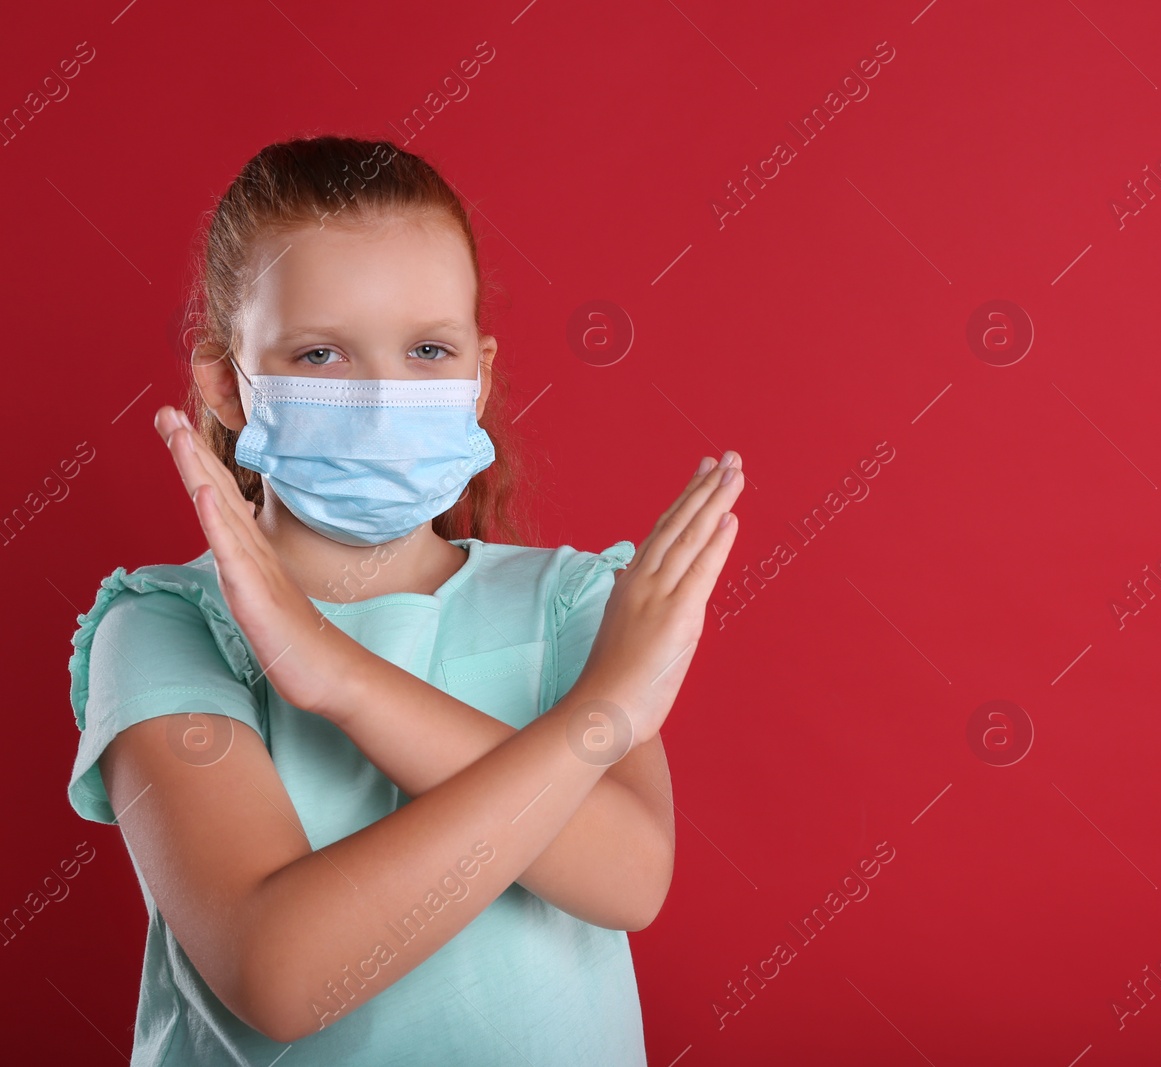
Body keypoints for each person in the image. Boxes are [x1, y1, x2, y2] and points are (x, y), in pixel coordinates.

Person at [63, 134, 743, 1064]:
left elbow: (629, 880)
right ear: (227, 382)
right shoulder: (164, 627)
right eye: (321, 354)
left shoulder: (570, 602)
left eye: (428, 349)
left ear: (480, 374)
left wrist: (339, 674)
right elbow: (282, 976)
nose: (385, 398)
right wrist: (595, 716)